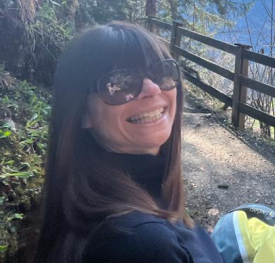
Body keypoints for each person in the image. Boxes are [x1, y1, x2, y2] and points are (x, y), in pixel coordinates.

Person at [34, 22, 223, 263]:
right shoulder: (140, 244)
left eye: (161, 72)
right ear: (82, 112)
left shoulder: (132, 196)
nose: (152, 88)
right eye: (120, 83)